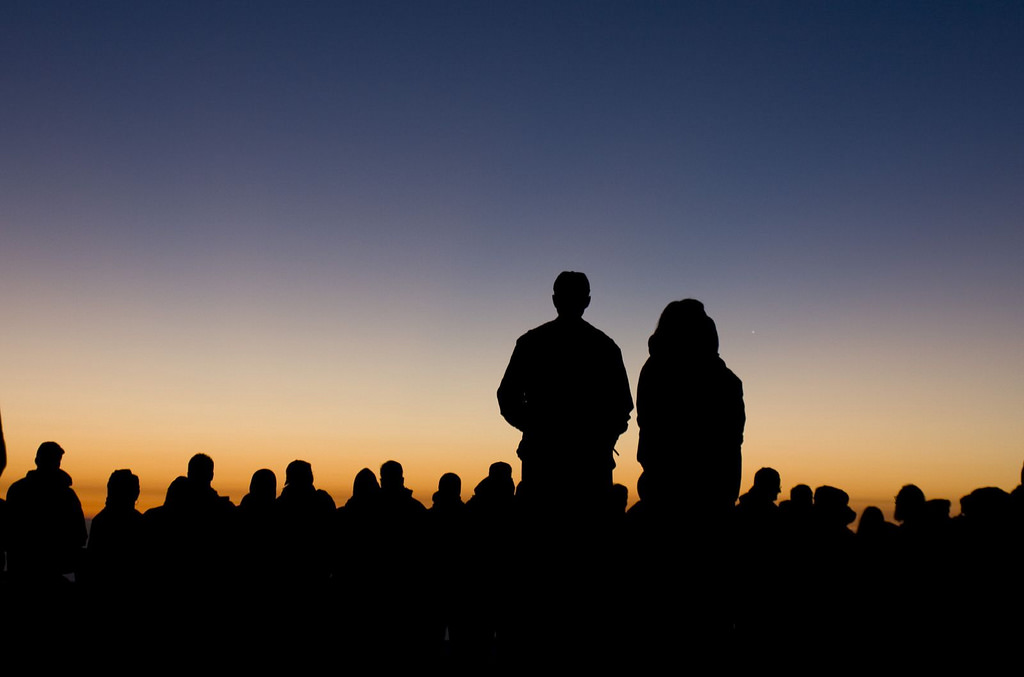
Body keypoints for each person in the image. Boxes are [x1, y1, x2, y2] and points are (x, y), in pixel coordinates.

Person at [497, 271, 633, 513]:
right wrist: (600, 439)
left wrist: (535, 427)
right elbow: (622, 408)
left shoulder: (531, 343)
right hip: (589, 466)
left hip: (544, 463)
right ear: (587, 301)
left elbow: (507, 398)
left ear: (554, 300)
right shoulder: (605, 347)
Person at [635, 299, 745, 523]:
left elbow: (647, 421)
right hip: (711, 489)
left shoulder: (654, 370)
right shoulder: (725, 381)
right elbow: (732, 437)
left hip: (662, 483)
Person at [5, 441, 87, 583]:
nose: (55, 464)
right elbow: (80, 535)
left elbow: (80, 535)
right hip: (43, 563)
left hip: (22, 564)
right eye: (54, 460)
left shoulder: (17, 489)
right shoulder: (66, 495)